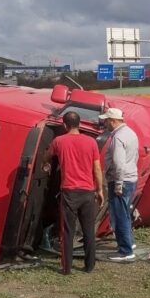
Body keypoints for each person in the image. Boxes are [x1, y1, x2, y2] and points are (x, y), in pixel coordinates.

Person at [43, 111, 104, 275]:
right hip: (87, 192)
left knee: (67, 231)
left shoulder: (59, 141)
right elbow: (97, 168)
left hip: (69, 192)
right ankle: (89, 266)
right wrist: (99, 189)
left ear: (64, 125)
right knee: (88, 230)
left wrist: (47, 165)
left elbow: (46, 157)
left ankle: (67, 268)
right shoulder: (91, 142)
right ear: (79, 123)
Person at [99, 108, 139, 262]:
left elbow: (118, 163)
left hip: (120, 180)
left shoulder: (118, 138)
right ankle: (130, 243)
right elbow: (133, 157)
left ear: (113, 121)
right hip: (130, 178)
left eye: (106, 120)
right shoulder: (130, 133)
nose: (105, 123)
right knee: (126, 213)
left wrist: (118, 185)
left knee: (119, 215)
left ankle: (125, 251)